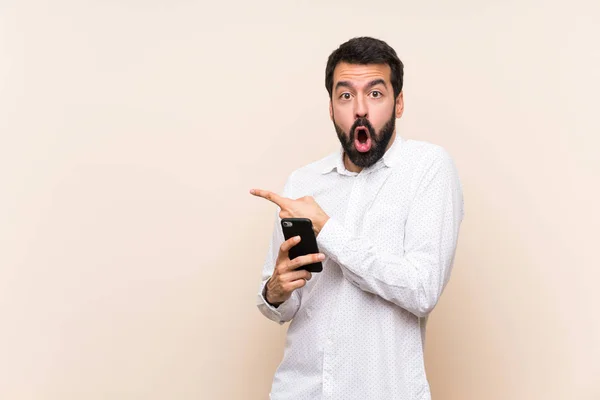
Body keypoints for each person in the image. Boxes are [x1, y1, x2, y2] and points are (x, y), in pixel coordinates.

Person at [250, 36, 464, 400]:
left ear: (398, 103)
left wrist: (327, 229)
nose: (360, 109)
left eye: (375, 94)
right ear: (332, 108)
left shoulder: (428, 168)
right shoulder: (304, 182)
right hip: (300, 391)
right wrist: (275, 289)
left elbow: (422, 288)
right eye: (345, 95)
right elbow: (280, 309)